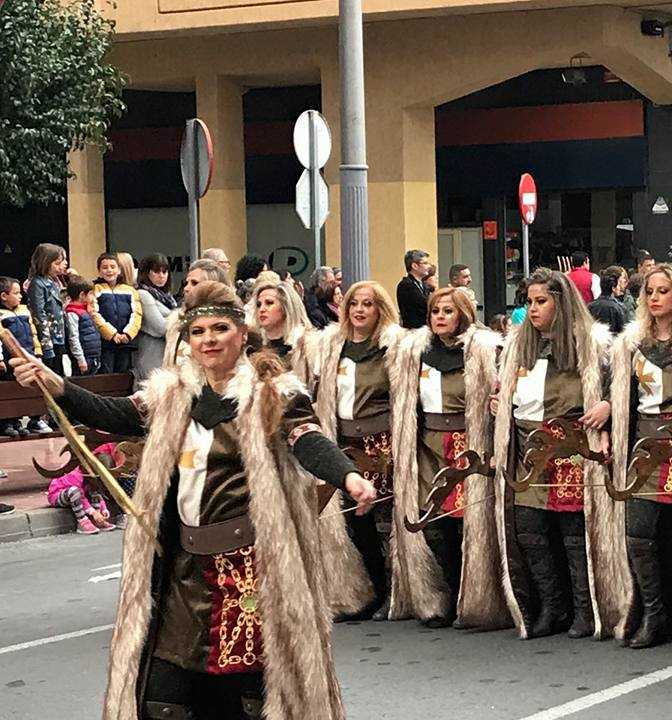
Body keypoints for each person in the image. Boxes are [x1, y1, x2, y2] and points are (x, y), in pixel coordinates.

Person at [11, 281, 377, 719]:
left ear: (241, 334)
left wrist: (348, 475)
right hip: (184, 571)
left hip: (252, 570)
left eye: (219, 329)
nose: (208, 340)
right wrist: (59, 386)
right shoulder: (171, 395)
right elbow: (115, 414)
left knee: (251, 700)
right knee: (164, 698)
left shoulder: (274, 393)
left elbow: (307, 438)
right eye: (198, 332)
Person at [491, 267, 622, 639]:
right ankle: (552, 606)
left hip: (571, 448)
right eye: (529, 302)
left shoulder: (593, 346)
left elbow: (619, 387)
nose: (532, 309)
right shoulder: (518, 345)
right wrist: (500, 401)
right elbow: (511, 391)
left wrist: (609, 406)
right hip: (529, 448)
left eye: (541, 301)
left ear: (560, 303)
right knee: (531, 531)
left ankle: (583, 609)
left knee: (572, 534)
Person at [392, 287, 508, 628]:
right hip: (429, 446)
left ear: (462, 315)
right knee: (434, 521)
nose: (439, 317)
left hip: (467, 447)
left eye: (447, 311)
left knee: (466, 523)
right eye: (435, 311)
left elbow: (499, 390)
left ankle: (471, 597)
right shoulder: (416, 351)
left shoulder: (485, 349)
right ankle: (442, 596)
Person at [609, 263, 672, 650]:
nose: (654, 298)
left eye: (663, 291)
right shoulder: (632, 342)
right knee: (639, 534)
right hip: (645, 445)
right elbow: (620, 394)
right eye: (649, 291)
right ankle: (654, 614)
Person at [314, 281, 409, 621]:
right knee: (355, 525)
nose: (359, 310)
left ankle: (395, 591)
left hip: (380, 444)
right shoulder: (332, 346)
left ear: (379, 309)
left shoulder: (392, 347)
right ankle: (369, 590)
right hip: (346, 446)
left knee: (385, 521)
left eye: (367, 304)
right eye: (354, 303)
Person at [0, 276, 50, 436]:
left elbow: (33, 333)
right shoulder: (1, 314)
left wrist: (38, 352)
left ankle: (24, 420)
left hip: (28, 356)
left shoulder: (24, 310)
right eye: (16, 293)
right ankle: (8, 422)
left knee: (27, 388)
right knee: (10, 390)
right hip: (10, 361)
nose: (21, 296)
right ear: (4, 296)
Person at [163, 259, 229, 368]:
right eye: (186, 283)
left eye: (194, 283)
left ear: (212, 287)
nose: (186, 288)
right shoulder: (176, 323)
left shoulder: (228, 326)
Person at [48, 442, 119, 534]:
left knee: (94, 489)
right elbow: (81, 497)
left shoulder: (91, 479)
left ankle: (97, 520)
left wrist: (103, 509)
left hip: (80, 495)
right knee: (74, 491)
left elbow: (97, 492)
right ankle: (82, 521)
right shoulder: (75, 474)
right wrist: (93, 512)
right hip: (58, 495)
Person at [92, 252, 142, 374]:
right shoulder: (95, 290)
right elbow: (94, 314)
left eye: (113, 267)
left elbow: (136, 314)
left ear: (119, 270)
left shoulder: (130, 290)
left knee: (123, 375)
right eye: (104, 267)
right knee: (106, 375)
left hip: (125, 342)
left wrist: (128, 334)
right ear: (99, 271)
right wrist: (112, 334)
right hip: (105, 343)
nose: (109, 270)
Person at [26, 243, 67, 376]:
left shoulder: (54, 281)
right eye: (57, 263)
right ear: (46, 263)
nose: (62, 265)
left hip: (59, 337)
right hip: (48, 340)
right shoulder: (37, 283)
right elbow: (39, 314)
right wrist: (46, 345)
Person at [135, 254, 177, 382]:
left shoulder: (168, 297)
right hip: (151, 355)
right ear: (146, 273)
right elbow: (160, 328)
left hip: (168, 354)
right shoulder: (143, 294)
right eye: (156, 271)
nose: (161, 276)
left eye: (165, 271)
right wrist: (180, 319)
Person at [64, 277, 102, 376]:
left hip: (92, 356)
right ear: (82, 295)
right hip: (84, 358)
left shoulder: (86, 310)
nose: (93, 297)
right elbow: (74, 338)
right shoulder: (73, 313)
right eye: (90, 293)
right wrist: (80, 359)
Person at [397, 249, 432, 328]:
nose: (429, 266)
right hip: (414, 332)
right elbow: (425, 305)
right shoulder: (406, 285)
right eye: (425, 263)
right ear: (414, 266)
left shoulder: (423, 285)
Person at [588, 265, 627, 334]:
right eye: (618, 284)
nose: (620, 287)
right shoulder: (619, 308)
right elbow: (623, 332)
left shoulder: (590, 306)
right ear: (613, 287)